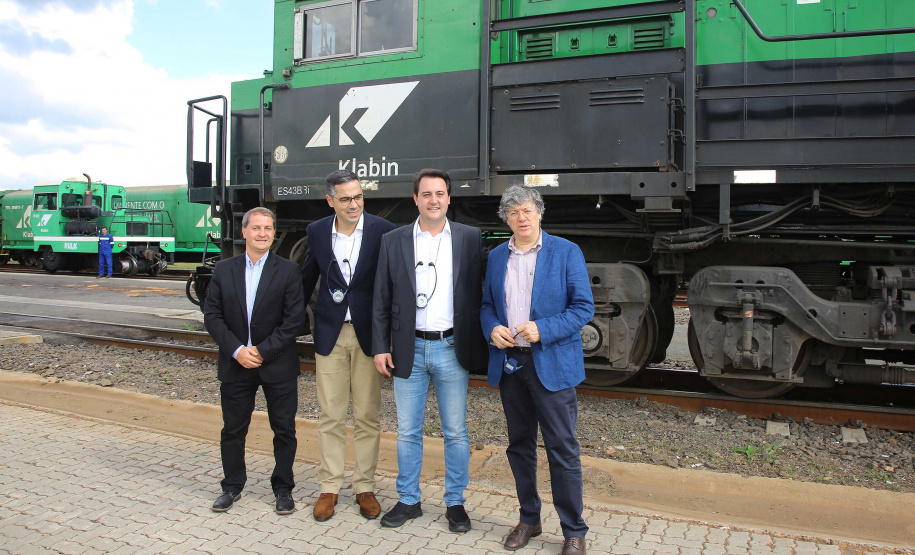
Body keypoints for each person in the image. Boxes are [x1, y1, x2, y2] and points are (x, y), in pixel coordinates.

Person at [480, 186, 595, 555]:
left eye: (527, 210)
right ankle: (529, 518)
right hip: (512, 364)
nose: (521, 217)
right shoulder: (497, 256)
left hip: (552, 365)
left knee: (562, 449)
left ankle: (573, 531)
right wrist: (492, 327)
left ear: (539, 212)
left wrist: (543, 328)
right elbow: (486, 305)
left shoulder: (565, 252)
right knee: (520, 447)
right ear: (506, 219)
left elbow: (583, 308)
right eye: (513, 212)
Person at [372, 168, 487, 532]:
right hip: (409, 347)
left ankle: (455, 504)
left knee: (455, 431)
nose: (433, 200)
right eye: (426, 194)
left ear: (449, 198)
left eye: (440, 193)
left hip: (453, 347)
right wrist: (380, 347)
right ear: (415, 199)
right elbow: (380, 297)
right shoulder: (395, 240)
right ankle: (408, 500)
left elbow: (480, 291)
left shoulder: (469, 237)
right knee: (407, 430)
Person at [300, 170, 395, 521]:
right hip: (331, 333)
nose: (353, 204)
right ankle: (329, 487)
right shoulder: (316, 231)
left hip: (370, 335)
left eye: (358, 197)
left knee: (368, 415)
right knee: (331, 415)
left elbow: (392, 285)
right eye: (345, 199)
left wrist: (392, 337)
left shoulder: (383, 232)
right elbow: (307, 279)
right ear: (331, 201)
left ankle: (364, 486)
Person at [203, 207, 306, 515]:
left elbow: (294, 320)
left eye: (268, 228)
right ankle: (232, 486)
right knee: (233, 429)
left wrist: (261, 350)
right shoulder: (224, 269)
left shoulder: (288, 270)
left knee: (284, 429)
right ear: (244, 232)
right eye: (257, 228)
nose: (263, 233)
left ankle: (283, 488)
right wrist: (237, 350)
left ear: (274, 233)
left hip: (276, 363)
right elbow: (212, 315)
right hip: (236, 363)